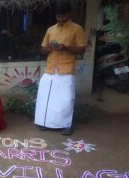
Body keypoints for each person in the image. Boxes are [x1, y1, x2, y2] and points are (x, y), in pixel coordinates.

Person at [34, 0, 86, 136]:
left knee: (66, 99)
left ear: (69, 14)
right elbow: (42, 49)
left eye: (63, 16)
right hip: (50, 68)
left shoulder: (77, 29)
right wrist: (50, 48)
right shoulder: (50, 30)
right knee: (46, 96)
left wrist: (66, 47)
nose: (61, 19)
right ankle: (45, 122)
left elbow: (82, 49)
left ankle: (66, 125)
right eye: (58, 17)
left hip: (66, 69)